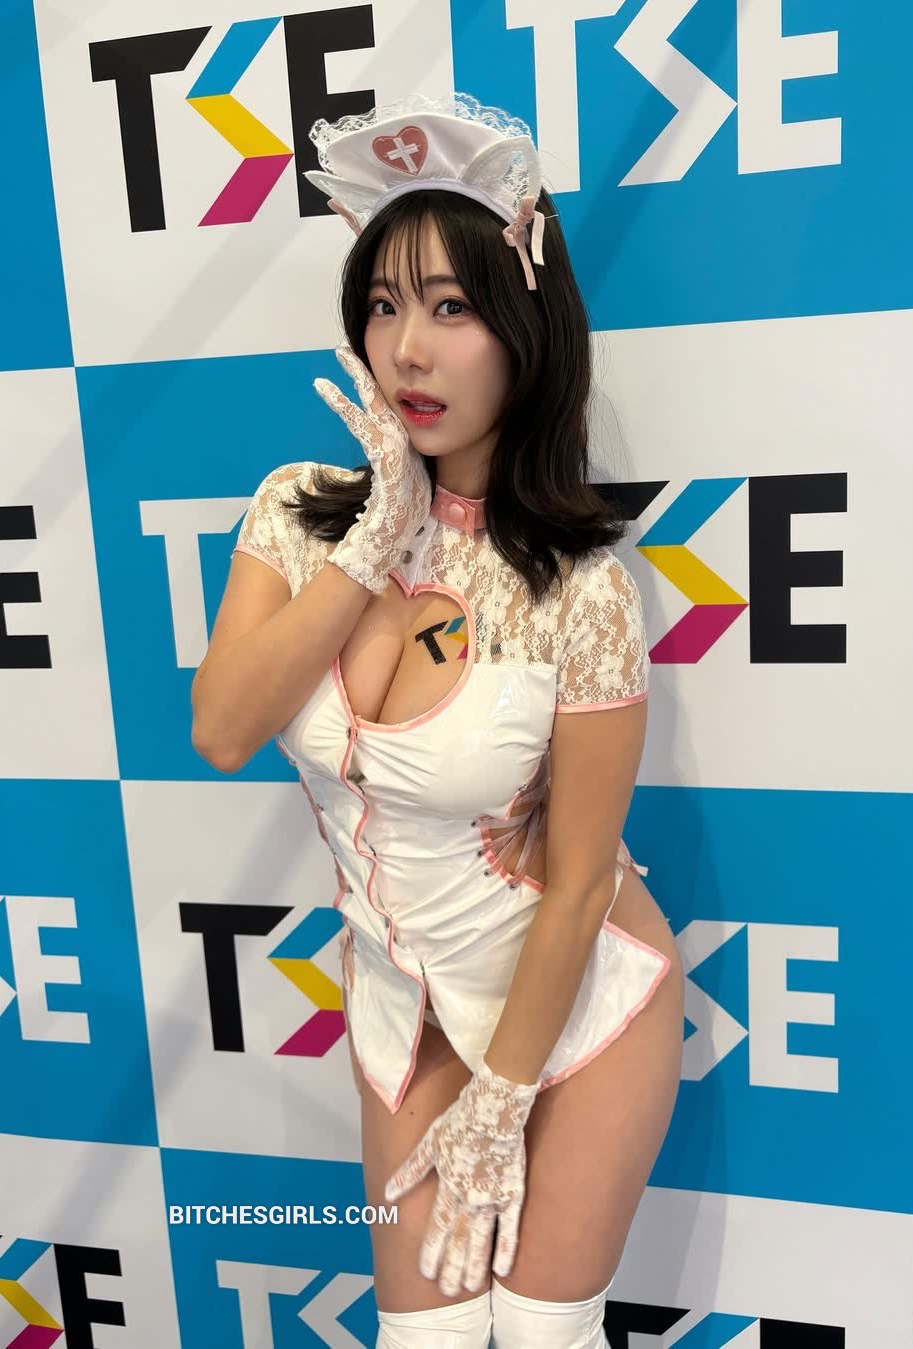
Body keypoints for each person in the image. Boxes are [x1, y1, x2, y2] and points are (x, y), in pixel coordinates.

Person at [191, 92, 684, 1349]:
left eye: (453, 307)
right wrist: (375, 538)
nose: (407, 348)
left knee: (540, 1334)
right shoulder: (295, 512)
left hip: (576, 1005)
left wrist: (504, 1099)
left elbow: (579, 881)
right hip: (403, 1016)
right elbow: (223, 727)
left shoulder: (582, 593)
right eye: (383, 303)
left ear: (523, 327)